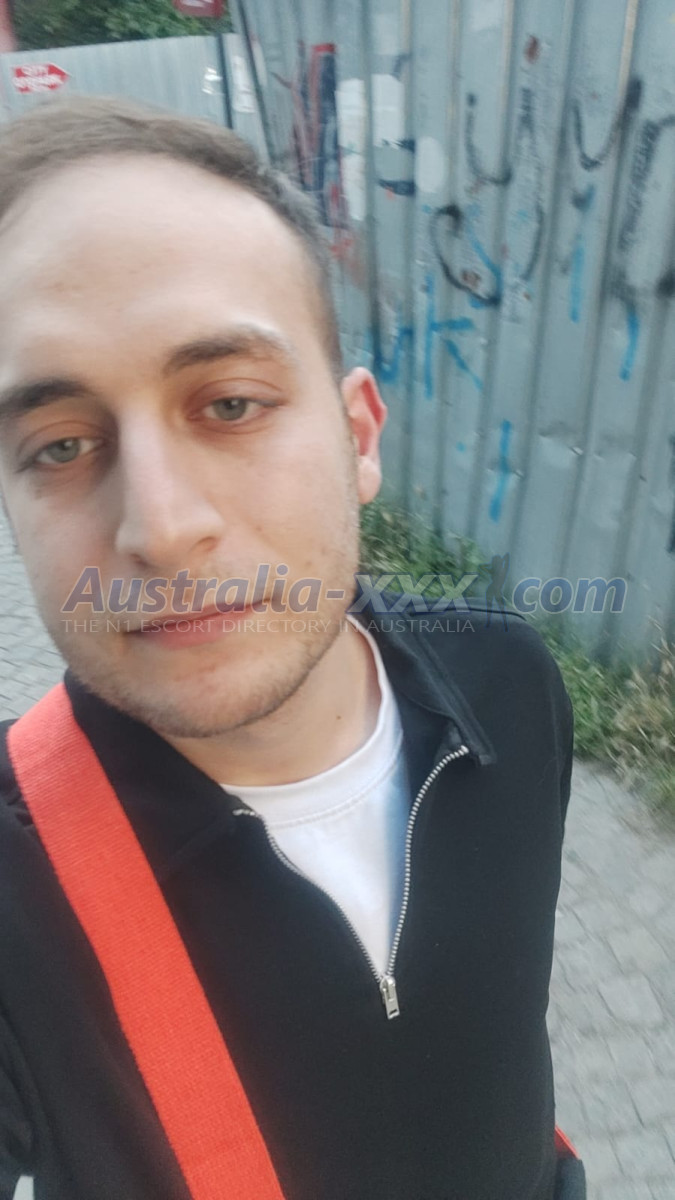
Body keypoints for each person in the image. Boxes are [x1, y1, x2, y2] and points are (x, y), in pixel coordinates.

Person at [0, 97, 579, 1200]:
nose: (160, 527)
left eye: (229, 404)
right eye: (61, 445)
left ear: (358, 437)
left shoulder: (508, 686)